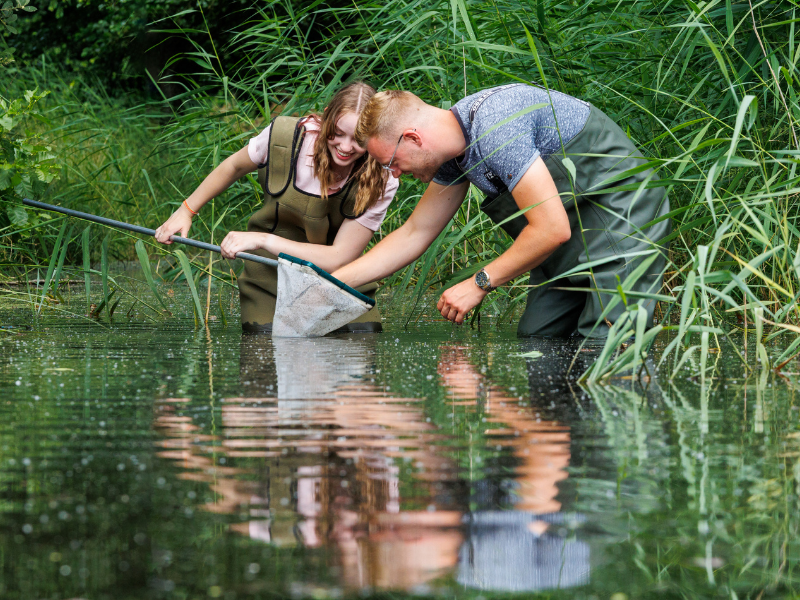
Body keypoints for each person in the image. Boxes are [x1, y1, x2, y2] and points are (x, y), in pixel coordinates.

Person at [331, 84, 671, 338]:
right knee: (538, 339)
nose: (394, 173)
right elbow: (415, 232)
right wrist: (333, 283)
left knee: (608, 348)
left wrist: (479, 283)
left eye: (391, 162)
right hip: (568, 239)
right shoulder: (451, 155)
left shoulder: (496, 127)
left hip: (622, 220)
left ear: (413, 139)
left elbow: (551, 229)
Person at [155, 81, 399, 333]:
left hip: (341, 280)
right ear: (326, 116)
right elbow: (234, 166)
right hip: (271, 276)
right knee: (267, 347)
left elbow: (339, 257)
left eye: (358, 139)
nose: (346, 147)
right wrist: (186, 210)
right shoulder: (286, 138)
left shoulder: (384, 175)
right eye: (337, 132)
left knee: (362, 342)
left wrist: (262, 239)